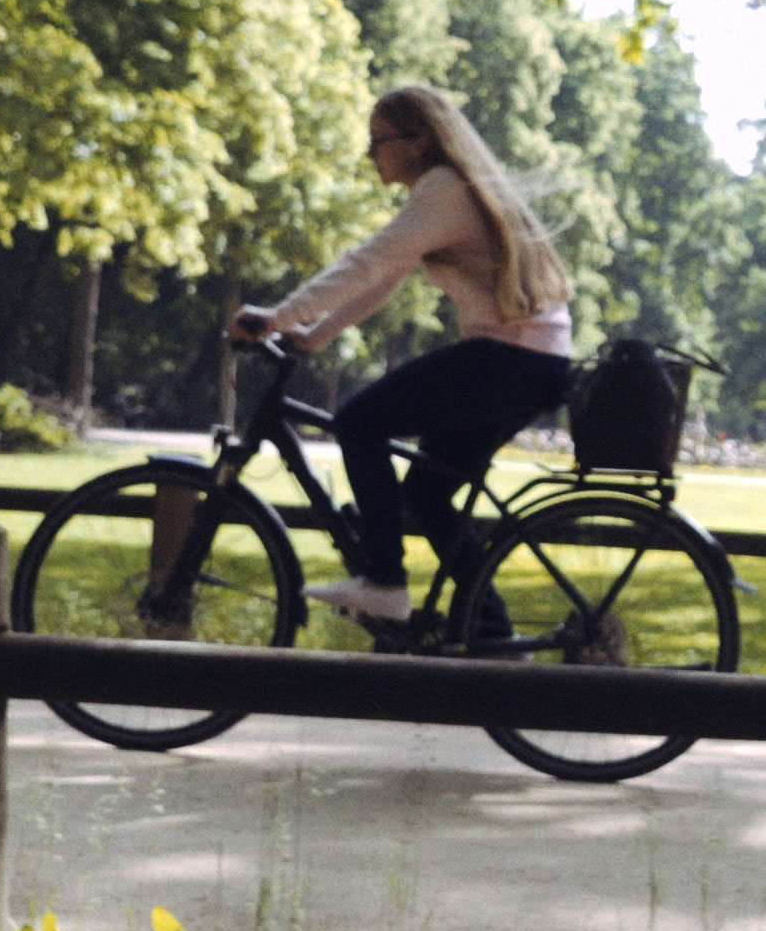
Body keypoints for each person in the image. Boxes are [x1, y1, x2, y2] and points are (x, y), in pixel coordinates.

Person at [232, 84, 573, 624]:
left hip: (509, 361)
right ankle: (491, 634)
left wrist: (277, 317)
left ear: (417, 141)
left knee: (359, 422)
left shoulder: (443, 189)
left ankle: (385, 582)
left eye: (378, 142)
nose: (371, 155)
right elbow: (382, 280)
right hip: (531, 364)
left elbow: (365, 263)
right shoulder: (447, 191)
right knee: (429, 496)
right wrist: (311, 334)